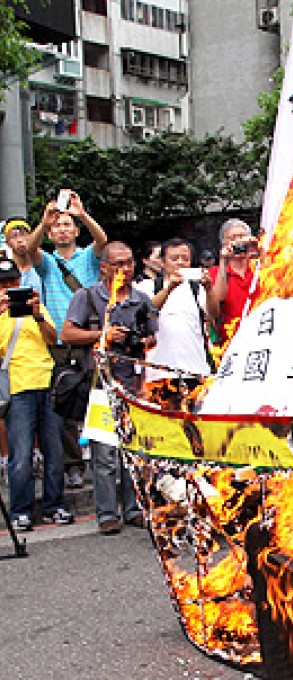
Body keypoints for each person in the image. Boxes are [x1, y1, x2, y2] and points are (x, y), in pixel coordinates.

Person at [62, 242, 158, 535]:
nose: (125, 269)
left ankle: (133, 509)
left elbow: (153, 336)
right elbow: (67, 333)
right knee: (104, 453)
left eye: (129, 263)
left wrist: (142, 341)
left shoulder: (141, 299)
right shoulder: (88, 296)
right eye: (118, 264)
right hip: (99, 385)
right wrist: (103, 335)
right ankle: (106, 513)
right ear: (103, 267)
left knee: (133, 452)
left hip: (133, 384)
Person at [26, 191, 108, 491]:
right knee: (64, 405)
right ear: (50, 232)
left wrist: (82, 215)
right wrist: (42, 222)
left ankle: (103, 461)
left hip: (90, 338)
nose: (62, 229)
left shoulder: (87, 256)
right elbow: (29, 252)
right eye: (56, 226)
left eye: (66, 225)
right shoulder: (47, 262)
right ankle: (73, 465)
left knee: (96, 401)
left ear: (75, 230)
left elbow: (102, 242)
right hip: (59, 341)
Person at [0, 255, 73, 531]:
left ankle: (54, 505)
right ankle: (20, 509)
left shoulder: (36, 305)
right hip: (17, 387)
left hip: (46, 381)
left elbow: (53, 338)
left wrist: (37, 314)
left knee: (54, 450)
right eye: (3, 283)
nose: (8, 287)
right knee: (20, 454)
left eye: (12, 281)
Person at [136, 238, 213, 385]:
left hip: (196, 369)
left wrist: (209, 289)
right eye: (174, 258)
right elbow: (146, 313)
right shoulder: (147, 286)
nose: (180, 263)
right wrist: (169, 288)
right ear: (163, 263)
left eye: (185, 259)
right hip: (159, 372)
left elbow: (214, 313)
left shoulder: (197, 288)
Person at [206, 218, 259, 344]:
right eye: (232, 238)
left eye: (242, 237)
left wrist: (258, 250)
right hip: (231, 340)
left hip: (262, 334)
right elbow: (217, 299)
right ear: (224, 244)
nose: (238, 241)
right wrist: (223, 260)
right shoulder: (214, 272)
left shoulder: (260, 268)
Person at [2, 218, 43, 293]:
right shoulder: (5, 271)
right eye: (13, 236)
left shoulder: (41, 264)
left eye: (23, 234)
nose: (20, 240)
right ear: (7, 242)